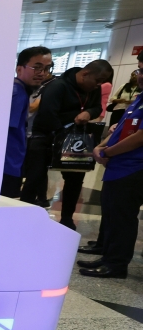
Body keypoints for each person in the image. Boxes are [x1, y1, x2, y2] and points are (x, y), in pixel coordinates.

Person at [20, 59, 113, 229]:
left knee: (75, 178)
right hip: (47, 136)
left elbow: (97, 108)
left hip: (74, 139)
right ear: (85, 74)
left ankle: (67, 219)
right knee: (35, 178)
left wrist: (88, 113)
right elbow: (48, 114)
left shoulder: (93, 88)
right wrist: (62, 135)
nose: (99, 85)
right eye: (97, 80)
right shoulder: (58, 86)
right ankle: (22, 216)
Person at [78, 88, 143, 278]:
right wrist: (101, 147)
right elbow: (121, 129)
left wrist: (108, 152)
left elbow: (139, 137)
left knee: (122, 217)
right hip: (118, 166)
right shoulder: (139, 99)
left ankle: (116, 264)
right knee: (111, 214)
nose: (139, 75)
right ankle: (107, 255)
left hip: (133, 167)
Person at [2, 47, 52, 198]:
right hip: (7, 165)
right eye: (36, 68)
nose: (42, 73)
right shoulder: (18, 94)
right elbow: (7, 133)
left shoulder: (17, 90)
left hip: (8, 164)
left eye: (47, 68)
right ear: (19, 69)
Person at [108, 62, 141, 127]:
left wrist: (132, 102)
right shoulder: (124, 86)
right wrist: (121, 100)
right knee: (112, 129)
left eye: (136, 75)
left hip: (132, 111)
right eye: (132, 75)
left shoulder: (141, 88)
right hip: (118, 110)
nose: (134, 77)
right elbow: (112, 98)